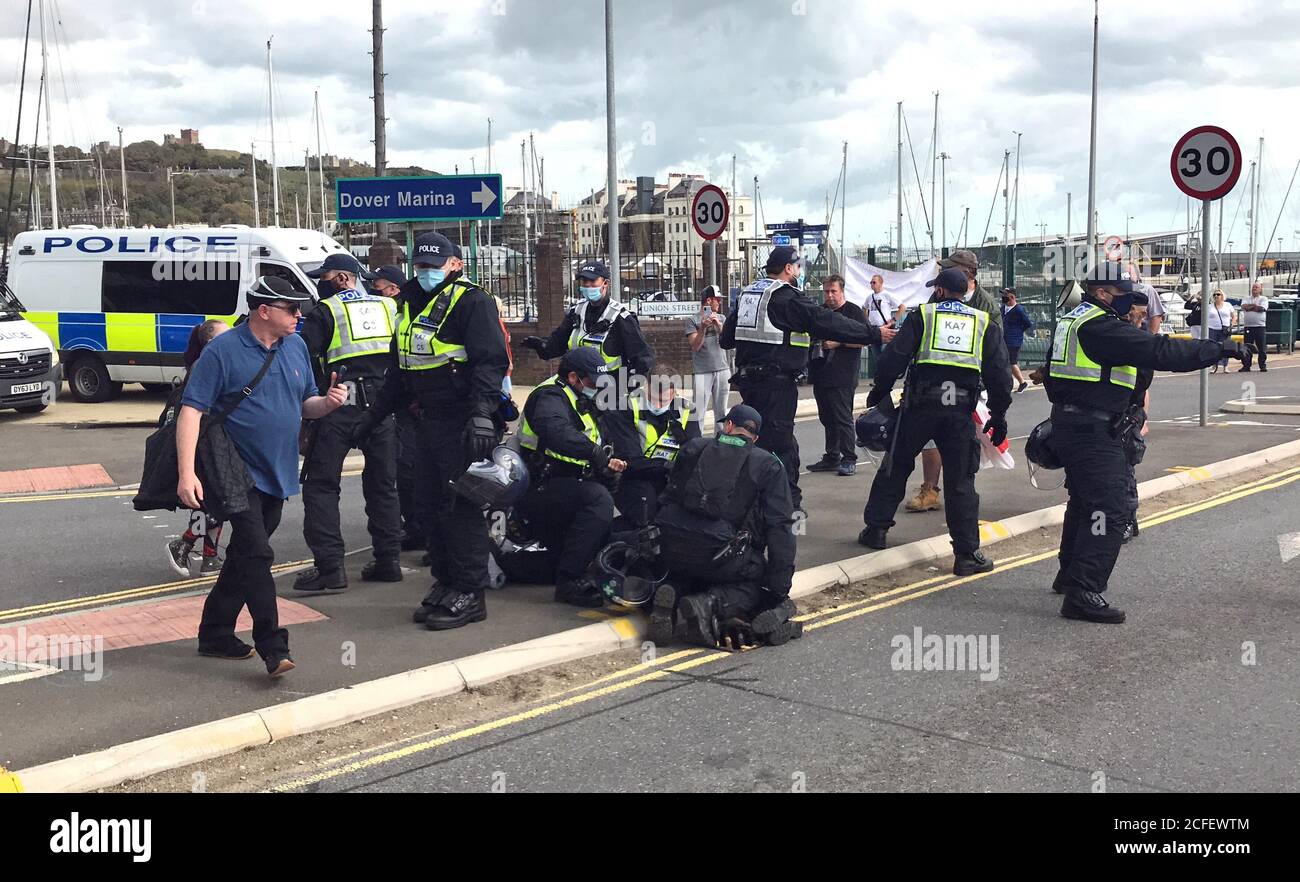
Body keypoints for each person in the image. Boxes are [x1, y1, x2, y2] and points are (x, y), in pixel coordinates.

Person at [1044, 264, 1241, 623]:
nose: (1132, 304)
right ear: (1103, 293)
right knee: (1110, 508)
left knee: (1085, 503)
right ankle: (1083, 592)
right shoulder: (1101, 327)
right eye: (1126, 296)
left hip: (1071, 424)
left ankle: (1069, 576)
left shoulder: (1072, 320)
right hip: (1093, 432)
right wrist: (1218, 349)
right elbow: (1161, 351)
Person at [177, 276, 349, 677]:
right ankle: (273, 645)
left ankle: (215, 633)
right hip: (234, 471)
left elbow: (305, 403)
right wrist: (187, 474)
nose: (299, 316)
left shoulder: (297, 346)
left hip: (279, 469)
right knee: (258, 553)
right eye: (291, 309)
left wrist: (328, 403)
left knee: (244, 555)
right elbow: (191, 411)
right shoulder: (222, 351)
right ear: (264, 311)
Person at [359, 232, 510, 631]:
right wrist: (374, 416)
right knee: (427, 506)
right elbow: (399, 368)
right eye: (421, 265)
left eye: (435, 265)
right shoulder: (407, 302)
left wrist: (481, 413)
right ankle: (446, 581)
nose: (427, 272)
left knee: (460, 508)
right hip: (424, 418)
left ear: (455, 264)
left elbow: (490, 363)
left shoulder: (471, 301)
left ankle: (470, 591)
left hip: (462, 420)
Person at [858, 267, 1013, 576]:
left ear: (940, 291)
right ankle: (966, 554)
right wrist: (998, 414)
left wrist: (880, 389)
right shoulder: (983, 323)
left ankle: (876, 530)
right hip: (958, 413)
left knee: (896, 465)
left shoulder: (924, 316)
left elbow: (894, 357)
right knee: (960, 481)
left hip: (920, 407)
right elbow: (999, 373)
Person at [720, 245, 893, 511]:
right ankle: (786, 509)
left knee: (758, 442)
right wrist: (873, 334)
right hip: (776, 385)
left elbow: (726, 339)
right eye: (798, 267)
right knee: (781, 447)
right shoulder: (786, 298)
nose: (800, 272)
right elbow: (826, 321)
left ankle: (754, 503)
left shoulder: (749, 295)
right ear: (789, 269)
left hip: (748, 384)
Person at [647, 405, 802, 649]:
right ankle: (707, 604)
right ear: (755, 438)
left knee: (690, 572)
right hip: (718, 555)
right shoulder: (767, 465)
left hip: (671, 546)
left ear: (728, 426)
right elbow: (781, 527)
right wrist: (777, 589)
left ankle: (672, 594)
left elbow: (667, 497)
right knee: (753, 582)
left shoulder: (694, 447)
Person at [295, 253, 402, 593]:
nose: (319, 283)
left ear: (341, 278)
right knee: (383, 485)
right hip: (383, 408)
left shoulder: (326, 311)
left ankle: (330, 570)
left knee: (322, 486)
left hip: (339, 404)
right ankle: (389, 562)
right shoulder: (388, 307)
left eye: (323, 277)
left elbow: (301, 357)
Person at [515, 348, 628, 607]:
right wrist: (597, 455)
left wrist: (610, 464)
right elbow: (557, 432)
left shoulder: (581, 395)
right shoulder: (549, 396)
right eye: (591, 382)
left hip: (572, 480)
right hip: (541, 484)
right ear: (574, 377)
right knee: (598, 501)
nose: (597, 387)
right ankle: (569, 581)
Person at [905, 250, 1004, 514]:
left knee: (962, 445)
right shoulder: (937, 294)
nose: (942, 272)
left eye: (950, 267)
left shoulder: (987, 305)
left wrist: (994, 398)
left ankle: (961, 495)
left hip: (968, 385)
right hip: (932, 385)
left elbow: (995, 349)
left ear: (967, 272)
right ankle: (930, 490)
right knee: (929, 441)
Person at [165, 319, 230, 578]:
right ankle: (183, 542)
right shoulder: (205, 364)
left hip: (215, 441)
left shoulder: (213, 361)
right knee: (216, 503)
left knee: (210, 502)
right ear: (211, 342)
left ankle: (210, 557)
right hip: (204, 444)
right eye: (226, 336)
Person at [521, 260, 653, 385]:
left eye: (593, 281)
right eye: (584, 281)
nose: (588, 285)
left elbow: (642, 359)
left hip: (608, 387)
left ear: (605, 283)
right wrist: (542, 345)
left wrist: (623, 388)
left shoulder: (621, 317)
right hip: (576, 384)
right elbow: (558, 343)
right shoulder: (576, 311)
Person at [602, 374, 700, 528]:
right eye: (652, 399)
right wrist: (667, 465)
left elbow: (694, 454)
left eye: (663, 401)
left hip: (672, 478)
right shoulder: (625, 407)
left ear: (673, 394)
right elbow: (631, 460)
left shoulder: (686, 409)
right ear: (645, 388)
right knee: (646, 513)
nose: (658, 405)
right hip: (636, 478)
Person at [807, 274, 869, 476]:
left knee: (843, 417)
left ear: (842, 291)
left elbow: (864, 339)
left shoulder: (853, 312)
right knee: (827, 417)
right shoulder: (821, 312)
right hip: (821, 372)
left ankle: (849, 457)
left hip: (843, 374)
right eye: (826, 291)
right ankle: (832, 456)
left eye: (833, 291)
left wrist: (839, 342)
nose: (830, 295)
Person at [684, 286, 730, 428]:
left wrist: (719, 326)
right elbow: (695, 346)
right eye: (717, 300)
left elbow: (728, 342)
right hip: (702, 371)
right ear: (708, 300)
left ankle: (720, 443)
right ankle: (697, 442)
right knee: (699, 411)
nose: (720, 303)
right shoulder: (692, 320)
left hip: (722, 369)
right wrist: (703, 328)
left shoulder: (721, 318)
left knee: (721, 412)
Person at [1000, 288, 1035, 394]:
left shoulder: (1019, 310)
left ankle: (1022, 382)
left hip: (1014, 341)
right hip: (1003, 339)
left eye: (1006, 295)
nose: (1003, 297)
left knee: (1012, 362)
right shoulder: (1003, 308)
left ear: (1012, 297)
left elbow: (1027, 323)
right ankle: (1006, 382)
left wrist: (1017, 331)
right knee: (1003, 361)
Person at [863, 274, 900, 365]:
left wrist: (893, 320)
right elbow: (864, 308)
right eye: (871, 282)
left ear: (881, 283)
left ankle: (886, 373)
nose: (872, 284)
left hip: (885, 328)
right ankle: (879, 375)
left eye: (874, 282)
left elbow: (902, 307)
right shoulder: (869, 297)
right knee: (876, 356)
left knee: (885, 353)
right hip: (874, 329)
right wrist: (867, 320)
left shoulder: (886, 295)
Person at [1239, 282, 1269, 372]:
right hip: (1248, 326)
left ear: (1260, 289)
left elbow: (1262, 309)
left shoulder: (1264, 299)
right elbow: (1244, 306)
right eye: (1253, 287)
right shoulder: (1246, 298)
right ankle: (1246, 365)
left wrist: (1250, 307)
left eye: (1256, 287)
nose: (1254, 288)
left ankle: (1262, 365)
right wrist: (1254, 307)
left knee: (1261, 347)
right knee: (1247, 347)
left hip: (1260, 326)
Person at [1127, 262, 1164, 334]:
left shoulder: (1147, 290)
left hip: (1143, 333)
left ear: (1137, 275)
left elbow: (1156, 315)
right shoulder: (1118, 291)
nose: (1126, 276)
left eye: (1129, 273)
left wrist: (1151, 337)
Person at [1205, 289, 1234, 373]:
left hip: (1225, 329)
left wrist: (1231, 325)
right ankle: (1214, 365)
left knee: (1226, 347)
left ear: (1222, 296)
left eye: (1218, 294)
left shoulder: (1228, 305)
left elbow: (1234, 316)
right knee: (1213, 348)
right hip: (1212, 329)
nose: (1216, 296)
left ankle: (1226, 366)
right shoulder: (1210, 306)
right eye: (1215, 295)